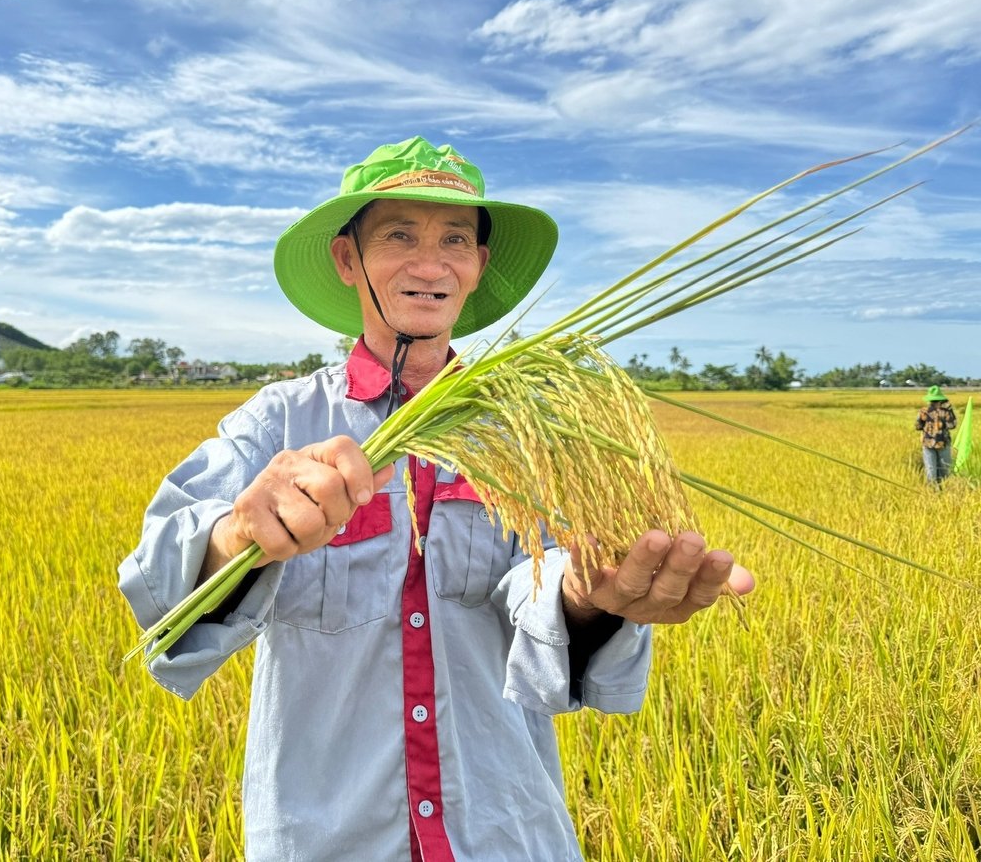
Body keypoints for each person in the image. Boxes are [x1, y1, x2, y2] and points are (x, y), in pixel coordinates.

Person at [118, 137, 755, 861]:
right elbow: (159, 582)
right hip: (332, 836)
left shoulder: (526, 431)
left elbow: (550, 585)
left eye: (454, 240)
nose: (430, 265)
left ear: (478, 265)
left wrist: (589, 597)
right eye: (399, 236)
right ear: (348, 259)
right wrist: (239, 533)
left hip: (500, 827)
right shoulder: (279, 423)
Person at [916, 384, 956, 485]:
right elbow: (952, 425)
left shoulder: (923, 411)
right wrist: (950, 409)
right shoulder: (946, 412)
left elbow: (918, 426)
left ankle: (932, 490)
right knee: (944, 469)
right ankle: (944, 488)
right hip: (943, 443)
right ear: (941, 400)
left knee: (930, 469)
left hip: (927, 443)